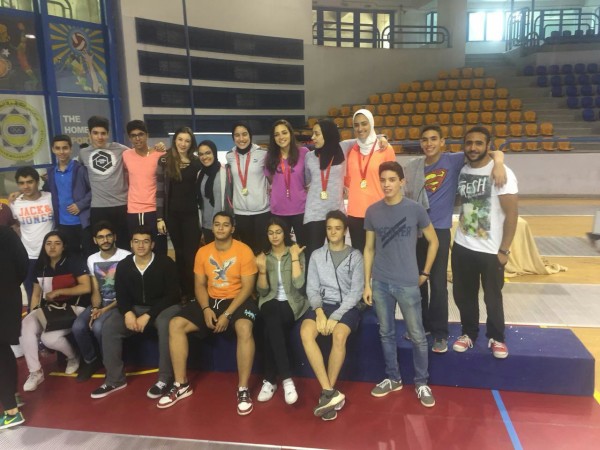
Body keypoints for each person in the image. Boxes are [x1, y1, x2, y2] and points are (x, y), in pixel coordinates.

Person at [403, 125, 506, 353]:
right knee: (417, 281)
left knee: (438, 283)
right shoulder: (414, 166)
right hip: (416, 231)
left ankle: (440, 333)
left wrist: (499, 163)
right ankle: (422, 325)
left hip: (439, 230)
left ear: (443, 142)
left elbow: (490, 151)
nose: (429, 143)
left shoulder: (453, 161)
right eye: (424, 139)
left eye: (433, 139)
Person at [157, 211, 258, 415]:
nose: (220, 228)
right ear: (212, 227)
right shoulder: (203, 252)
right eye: (217, 224)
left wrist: (227, 314)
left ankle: (243, 388)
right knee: (175, 324)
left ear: (232, 229)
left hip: (238, 299)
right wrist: (205, 309)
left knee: (244, 327)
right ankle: (181, 384)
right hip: (211, 300)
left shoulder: (244, 251)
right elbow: (199, 285)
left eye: (225, 225)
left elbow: (248, 288)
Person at [363, 161, 439, 408]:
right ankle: (393, 378)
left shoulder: (415, 209)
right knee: (386, 333)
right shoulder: (372, 211)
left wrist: (425, 272)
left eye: (392, 180)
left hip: (407, 283)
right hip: (381, 283)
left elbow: (434, 241)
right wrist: (367, 284)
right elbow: (369, 249)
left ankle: (421, 382)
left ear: (402, 182)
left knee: (417, 335)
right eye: (383, 180)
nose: (387, 184)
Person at [451, 126, 518, 359]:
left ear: (488, 145)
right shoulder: (463, 170)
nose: (473, 147)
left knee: (493, 298)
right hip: (463, 246)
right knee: (464, 296)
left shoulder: (501, 172)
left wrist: (504, 250)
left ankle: (497, 337)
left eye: (479, 143)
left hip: (491, 251)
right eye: (469, 143)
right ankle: (468, 333)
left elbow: (512, 214)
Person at [91, 226, 181, 399]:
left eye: (145, 241)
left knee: (166, 325)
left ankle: (165, 379)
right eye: (136, 241)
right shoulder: (124, 265)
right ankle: (115, 380)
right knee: (109, 326)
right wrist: (128, 313)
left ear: (152, 244)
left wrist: (149, 315)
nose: (141, 245)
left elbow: (173, 295)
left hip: (163, 308)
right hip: (135, 307)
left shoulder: (165, 263)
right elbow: (121, 295)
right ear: (131, 244)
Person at [301, 210, 364, 421]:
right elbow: (312, 289)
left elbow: (355, 293)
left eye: (337, 228)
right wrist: (319, 312)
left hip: (346, 306)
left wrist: (335, 316)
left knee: (339, 335)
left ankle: (327, 394)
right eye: (329, 228)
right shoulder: (317, 255)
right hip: (323, 305)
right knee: (305, 332)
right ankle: (328, 391)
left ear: (345, 231)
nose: (333, 232)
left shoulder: (356, 256)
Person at [20, 231, 91, 392]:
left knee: (49, 339)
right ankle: (35, 372)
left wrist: (60, 292)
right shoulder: (40, 266)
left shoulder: (73, 261)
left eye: (57, 243)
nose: (52, 247)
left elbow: (86, 287)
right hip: (51, 310)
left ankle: (73, 357)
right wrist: (35, 313)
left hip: (74, 308)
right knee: (26, 324)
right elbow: (36, 295)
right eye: (48, 243)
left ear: (64, 246)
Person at [255, 217, 309, 405]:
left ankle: (270, 380)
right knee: (271, 315)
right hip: (270, 300)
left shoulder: (296, 252)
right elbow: (262, 292)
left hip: (292, 302)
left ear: (285, 233)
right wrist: (262, 270)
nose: (275, 236)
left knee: (269, 329)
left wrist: (294, 258)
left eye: (278, 232)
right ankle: (287, 380)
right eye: (270, 233)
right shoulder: (264, 256)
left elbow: (299, 285)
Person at [72, 221, 131, 381]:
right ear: (95, 240)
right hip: (101, 303)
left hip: (119, 303)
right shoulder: (92, 259)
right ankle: (91, 360)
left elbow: (127, 293)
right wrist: (96, 308)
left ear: (115, 237)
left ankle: (109, 362)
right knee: (78, 327)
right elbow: (96, 289)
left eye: (108, 236)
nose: (105, 240)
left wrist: (104, 310)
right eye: (100, 237)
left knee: (99, 328)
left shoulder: (126, 256)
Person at [345, 109, 395, 252]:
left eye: (364, 124)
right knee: (360, 257)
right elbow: (348, 180)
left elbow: (393, 182)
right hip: (355, 214)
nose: (360, 128)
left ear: (371, 124)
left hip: (380, 211)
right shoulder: (351, 150)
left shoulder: (385, 149)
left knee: (381, 255)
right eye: (356, 125)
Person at [160, 127, 202, 299]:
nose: (183, 144)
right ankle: (182, 292)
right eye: (180, 139)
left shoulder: (197, 163)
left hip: (191, 216)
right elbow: (160, 191)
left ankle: (194, 292)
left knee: (192, 255)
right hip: (172, 216)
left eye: (187, 141)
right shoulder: (165, 160)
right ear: (175, 140)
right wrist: (160, 217)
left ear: (191, 144)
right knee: (179, 253)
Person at [79, 116, 130, 250]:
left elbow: (139, 155)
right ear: (89, 134)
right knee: (102, 247)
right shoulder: (83, 153)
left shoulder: (121, 149)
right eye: (95, 133)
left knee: (124, 245)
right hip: (98, 207)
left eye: (103, 133)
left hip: (121, 205)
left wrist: (156, 148)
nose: (99, 137)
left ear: (108, 134)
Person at [303, 119, 346, 264]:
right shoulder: (309, 157)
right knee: (313, 257)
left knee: (338, 257)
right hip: (314, 213)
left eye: (317, 134)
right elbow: (307, 180)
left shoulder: (343, 150)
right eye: (313, 134)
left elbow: (363, 140)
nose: (313, 137)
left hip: (336, 212)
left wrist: (381, 139)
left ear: (328, 134)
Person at [10, 166, 54, 305]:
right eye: (21, 183)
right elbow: (15, 226)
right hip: (28, 256)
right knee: (32, 296)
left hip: (51, 254)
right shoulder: (15, 203)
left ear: (37, 182)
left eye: (30, 182)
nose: (26, 186)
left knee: (53, 294)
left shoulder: (50, 198)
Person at [122, 120, 167, 255]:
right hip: (133, 210)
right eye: (133, 135)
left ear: (147, 135)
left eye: (140, 134)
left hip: (154, 210)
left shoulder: (160, 155)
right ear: (129, 138)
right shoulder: (126, 155)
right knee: (138, 251)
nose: (137, 138)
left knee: (159, 250)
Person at [44, 134, 93, 256]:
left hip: (82, 222)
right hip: (62, 224)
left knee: (88, 255)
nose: (61, 152)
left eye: (65, 148)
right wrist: (19, 193)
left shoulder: (80, 169)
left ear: (70, 149)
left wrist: (80, 205)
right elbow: (43, 191)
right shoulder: (51, 172)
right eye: (58, 148)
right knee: (70, 257)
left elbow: (94, 190)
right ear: (53, 149)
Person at [225, 122, 270, 254]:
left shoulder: (263, 154)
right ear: (233, 137)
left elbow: (271, 178)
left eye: (244, 134)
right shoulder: (230, 156)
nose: (241, 138)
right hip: (241, 213)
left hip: (262, 211)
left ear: (250, 136)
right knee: (247, 252)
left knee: (263, 251)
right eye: (237, 135)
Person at [0, 226, 28, 429]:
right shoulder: (6, 233)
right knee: (3, 350)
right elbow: (23, 265)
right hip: (9, 296)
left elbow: (22, 265)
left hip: (5, 297)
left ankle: (11, 410)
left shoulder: (5, 234)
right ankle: (12, 396)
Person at [264, 119, 308, 247]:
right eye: (276, 134)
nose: (281, 137)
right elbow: (271, 180)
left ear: (291, 134)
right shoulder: (270, 156)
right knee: (282, 249)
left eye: (284, 132)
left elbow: (309, 178)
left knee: (304, 247)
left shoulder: (304, 153)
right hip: (279, 210)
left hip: (301, 208)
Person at [196, 139, 230, 244]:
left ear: (214, 153)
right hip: (206, 225)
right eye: (201, 154)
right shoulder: (200, 174)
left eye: (208, 153)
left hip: (223, 225)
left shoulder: (225, 171)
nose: (204, 157)